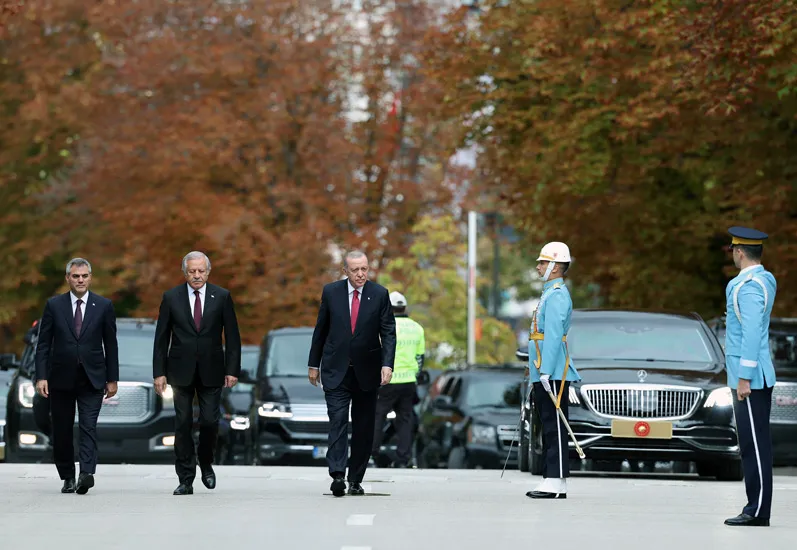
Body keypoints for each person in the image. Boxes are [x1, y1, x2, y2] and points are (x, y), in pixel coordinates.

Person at [307, 250, 397, 496]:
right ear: (345, 271)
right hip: (336, 370)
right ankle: (337, 474)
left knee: (363, 427)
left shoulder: (379, 295)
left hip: (367, 372)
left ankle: (355, 477)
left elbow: (388, 331)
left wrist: (387, 364)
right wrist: (313, 364)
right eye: (355, 270)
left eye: (364, 269)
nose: (361, 274)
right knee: (337, 421)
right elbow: (321, 329)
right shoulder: (331, 292)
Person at [153, 251, 242, 496]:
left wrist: (232, 369)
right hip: (179, 370)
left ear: (208, 271)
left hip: (212, 369)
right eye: (192, 271)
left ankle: (206, 462)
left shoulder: (221, 297)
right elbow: (161, 338)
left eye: (201, 271)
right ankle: (185, 477)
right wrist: (159, 373)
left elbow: (232, 336)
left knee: (210, 422)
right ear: (185, 272)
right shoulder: (171, 297)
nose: (196, 275)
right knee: (182, 424)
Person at [34, 258, 119, 495]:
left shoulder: (103, 306)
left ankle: (86, 473)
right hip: (60, 377)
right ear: (68, 278)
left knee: (88, 425)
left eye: (84, 276)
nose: (80, 280)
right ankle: (67, 476)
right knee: (61, 429)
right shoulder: (54, 305)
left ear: (90, 277)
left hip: (92, 377)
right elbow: (43, 344)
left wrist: (112, 378)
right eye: (75, 276)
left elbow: (111, 344)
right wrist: (41, 376)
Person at [723, 226, 777, 527]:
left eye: (733, 250)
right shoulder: (760, 280)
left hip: (751, 380)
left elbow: (752, 332)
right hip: (751, 378)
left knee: (754, 446)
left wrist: (744, 377)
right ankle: (756, 507)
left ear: (739, 251)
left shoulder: (749, 286)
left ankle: (756, 510)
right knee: (753, 445)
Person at [525, 242, 581, 499]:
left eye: (543, 262)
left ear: (556, 267)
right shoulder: (549, 293)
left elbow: (554, 335)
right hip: (543, 369)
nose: (538, 267)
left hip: (553, 370)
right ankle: (553, 479)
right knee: (547, 424)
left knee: (554, 426)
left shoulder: (557, 294)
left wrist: (546, 370)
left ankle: (556, 480)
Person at [371, 291, 425, 468]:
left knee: (377, 417)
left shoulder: (384, 326)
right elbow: (419, 359)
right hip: (408, 382)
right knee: (405, 420)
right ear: (404, 307)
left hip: (387, 381)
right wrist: (414, 377)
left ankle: (372, 454)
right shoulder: (417, 328)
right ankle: (403, 458)